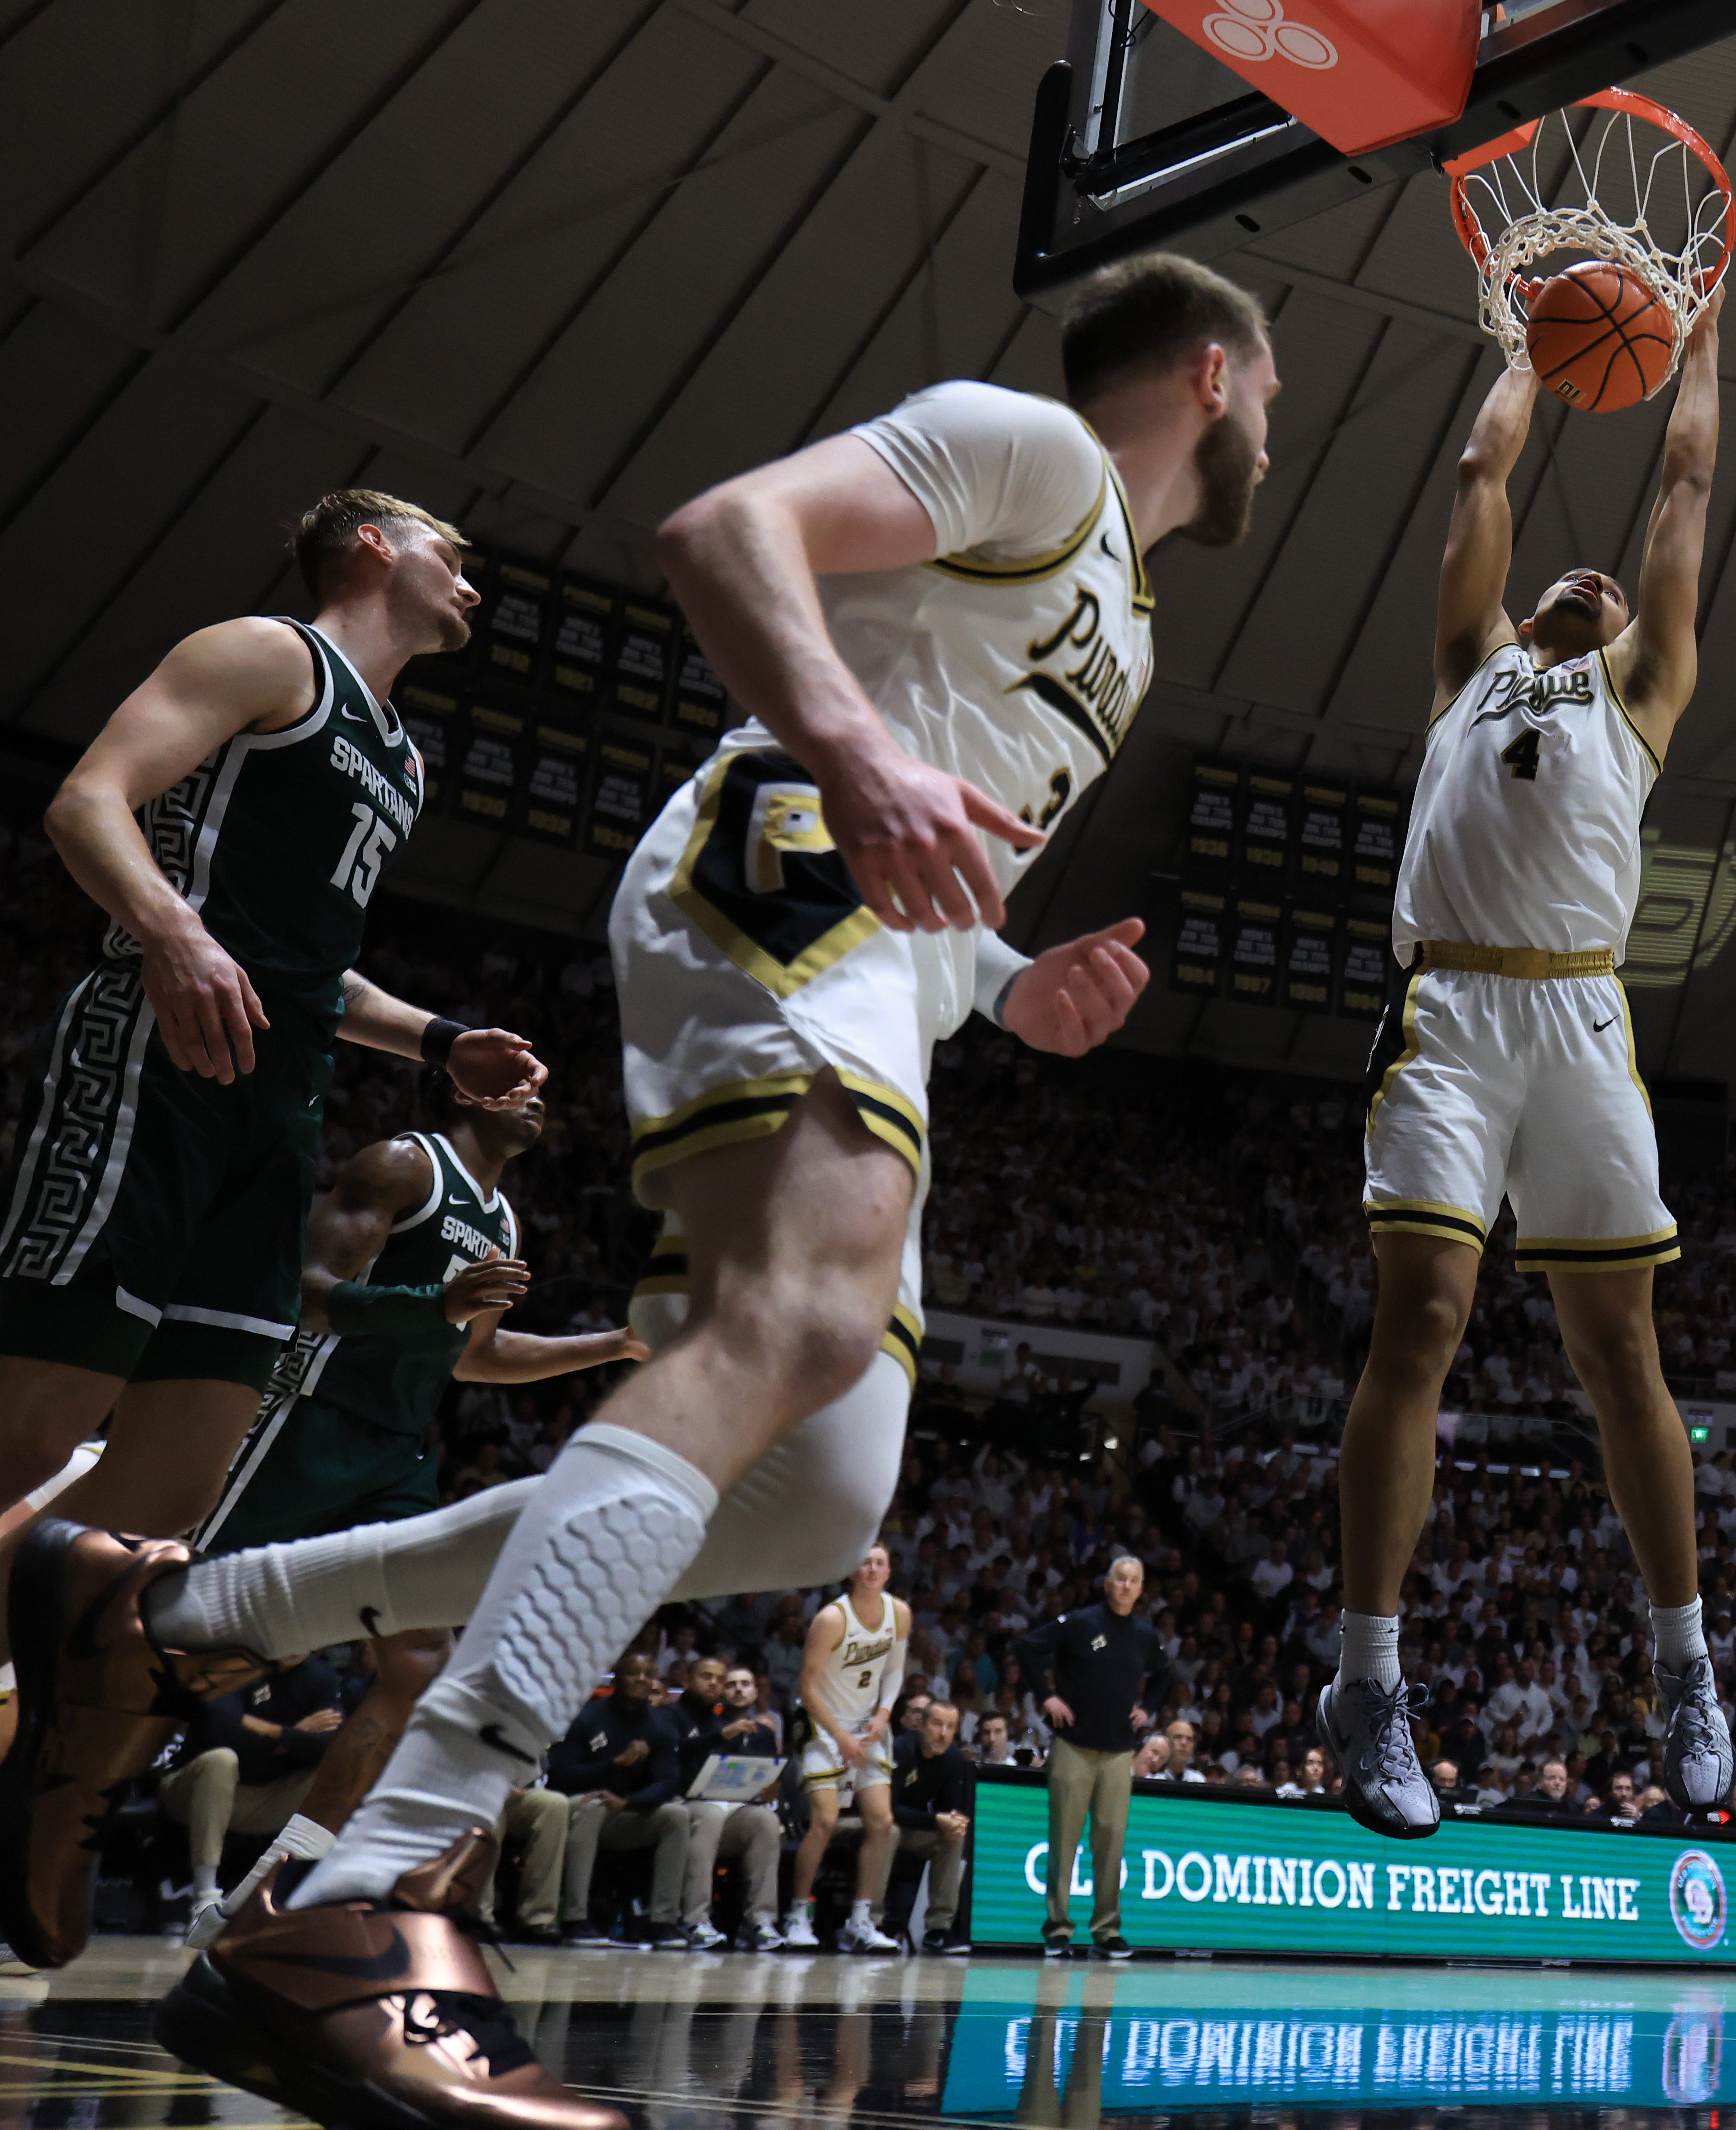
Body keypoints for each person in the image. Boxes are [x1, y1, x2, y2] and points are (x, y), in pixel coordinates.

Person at [121, 254, 1275, 2119]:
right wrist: (846, 746)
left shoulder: (1121, 628)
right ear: (1212, 376)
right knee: (800, 1318)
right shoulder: (1034, 447)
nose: (1276, 441)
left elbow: (945, 811)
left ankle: (185, 1606)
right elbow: (727, 531)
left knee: (807, 1499)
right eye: (1274, 406)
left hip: (890, 962)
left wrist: (1010, 980)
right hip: (784, 863)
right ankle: (355, 1891)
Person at [0, 488, 550, 1970]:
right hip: (160, 1058)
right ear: (370, 545)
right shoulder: (266, 654)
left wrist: (437, 1039)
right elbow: (88, 801)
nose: (471, 579)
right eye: (452, 550)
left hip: (280, 1105)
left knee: (154, 1517)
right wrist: (172, 933)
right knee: (34, 1423)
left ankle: (42, 1777)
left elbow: (315, 970)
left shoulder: (404, 757)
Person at [1321, 302, 1731, 1842]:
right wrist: (1528, 348)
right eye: (1573, 573)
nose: (1595, 569)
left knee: (1620, 1356)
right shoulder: (1465, 666)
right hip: (1448, 1017)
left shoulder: (1638, 698)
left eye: (1611, 582)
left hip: (1577, 1023)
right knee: (1421, 1315)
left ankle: (1686, 1660)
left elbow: (1685, 490)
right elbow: (1481, 480)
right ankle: (1369, 1677)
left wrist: (1698, 333)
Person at [184, 1077, 644, 1947]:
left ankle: (260, 1894)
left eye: (549, 1084)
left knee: (418, 1662)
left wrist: (615, 1345)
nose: (540, 1093)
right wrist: (432, 1304)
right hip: (306, 1423)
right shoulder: (401, 1164)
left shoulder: (503, 1220)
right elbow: (310, 1292)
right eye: (518, 1080)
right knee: (179, 1641)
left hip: (397, 1451)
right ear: (464, 1091)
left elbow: (477, 1358)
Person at [1020, 1553, 1168, 1959]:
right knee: (1064, 1840)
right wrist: (1047, 1696)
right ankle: (1058, 1929)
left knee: (1111, 1843)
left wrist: (1149, 1707)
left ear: (1141, 1590)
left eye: (1133, 1581)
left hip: (1120, 1752)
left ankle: (1107, 1931)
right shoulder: (1082, 1622)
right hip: (1073, 1747)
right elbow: (1028, 1648)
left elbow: (1166, 1673)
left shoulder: (1143, 1634)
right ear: (1107, 1584)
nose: (1125, 1586)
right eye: (1119, 1579)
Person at [163, 1652, 348, 1933]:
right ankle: (205, 1899)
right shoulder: (237, 1663)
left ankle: (308, 1892)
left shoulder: (321, 1675)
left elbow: (329, 1746)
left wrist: (265, 1729)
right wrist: (297, 1735)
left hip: (263, 1795)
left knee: (335, 1772)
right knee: (222, 1761)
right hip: (193, 1790)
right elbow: (221, 1732)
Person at [781, 1546, 908, 1953]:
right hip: (823, 1725)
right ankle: (798, 1915)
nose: (872, 1569)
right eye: (865, 1562)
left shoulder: (899, 1614)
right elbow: (807, 1687)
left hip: (866, 1728)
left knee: (881, 1821)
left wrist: (885, 1712)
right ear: (853, 1570)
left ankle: (862, 1920)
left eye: (879, 1563)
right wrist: (840, 1737)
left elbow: (895, 1669)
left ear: (889, 1571)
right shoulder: (832, 1619)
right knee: (825, 1822)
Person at [554, 1651, 687, 1944]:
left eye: (648, 1674)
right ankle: (577, 1918)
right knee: (593, 1807)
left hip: (628, 1811)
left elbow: (668, 1781)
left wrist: (630, 1803)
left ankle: (663, 1921)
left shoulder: (661, 1725)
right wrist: (614, 1764)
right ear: (615, 1678)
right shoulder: (588, 1716)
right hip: (584, 1806)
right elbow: (561, 1775)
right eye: (633, 1673)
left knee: (677, 1816)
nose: (641, 1680)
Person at [663, 1661, 784, 1951]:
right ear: (689, 1680)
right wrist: (722, 1737)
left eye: (720, 1679)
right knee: (710, 1813)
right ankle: (695, 1918)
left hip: (725, 1807)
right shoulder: (674, 1716)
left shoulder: (722, 1724)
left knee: (765, 1821)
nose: (715, 1685)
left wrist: (765, 1790)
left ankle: (759, 1921)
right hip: (682, 1804)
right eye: (708, 1678)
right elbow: (675, 1756)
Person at [887, 1700, 974, 1952]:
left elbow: (951, 1808)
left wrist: (955, 1822)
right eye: (937, 1724)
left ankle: (938, 1929)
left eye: (950, 1727)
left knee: (953, 1837)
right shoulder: (900, 1750)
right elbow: (889, 1810)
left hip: (914, 1828)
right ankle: (874, 1920)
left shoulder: (954, 1759)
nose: (944, 1733)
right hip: (880, 1823)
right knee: (889, 1831)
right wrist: (936, 1820)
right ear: (921, 1725)